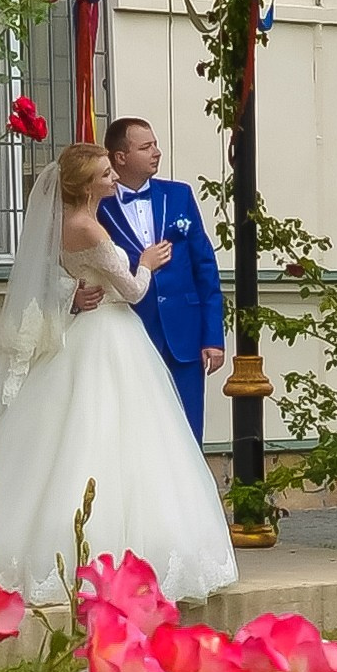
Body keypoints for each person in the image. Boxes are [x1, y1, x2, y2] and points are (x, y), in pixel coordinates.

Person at [0, 141, 237, 606]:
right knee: (116, 437)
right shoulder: (91, 230)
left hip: (84, 334)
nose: (114, 180)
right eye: (105, 174)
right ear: (86, 185)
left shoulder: (60, 224)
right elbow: (135, 292)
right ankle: (112, 554)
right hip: (112, 336)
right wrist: (144, 263)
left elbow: (49, 276)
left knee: (66, 436)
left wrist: (72, 294)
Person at [95, 116, 226, 437]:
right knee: (137, 433)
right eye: (146, 146)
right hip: (131, 332)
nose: (157, 152)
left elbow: (205, 267)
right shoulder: (98, 206)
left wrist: (213, 336)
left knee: (187, 428)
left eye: (155, 144)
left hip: (185, 335)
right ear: (120, 157)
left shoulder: (179, 196)